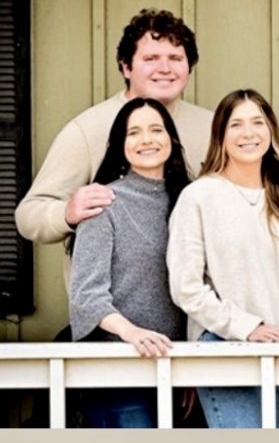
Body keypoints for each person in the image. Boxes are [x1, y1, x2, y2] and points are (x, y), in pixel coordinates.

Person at [167, 89, 279, 428]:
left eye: (258, 122)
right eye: (236, 124)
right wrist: (247, 327)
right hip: (224, 344)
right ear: (221, 134)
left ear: (271, 131)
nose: (249, 133)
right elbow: (186, 287)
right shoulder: (199, 196)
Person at [16, 8, 211, 250]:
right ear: (126, 67)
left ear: (189, 66)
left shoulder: (214, 127)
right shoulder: (87, 129)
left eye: (175, 58)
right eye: (150, 59)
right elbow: (29, 215)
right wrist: (66, 212)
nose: (165, 68)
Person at [67, 98, 191, 427]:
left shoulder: (190, 202)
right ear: (120, 145)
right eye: (133, 132)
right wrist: (131, 332)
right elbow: (86, 296)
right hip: (116, 364)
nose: (146, 139)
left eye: (156, 129)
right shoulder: (104, 203)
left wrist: (195, 363)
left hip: (176, 365)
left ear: (172, 138)